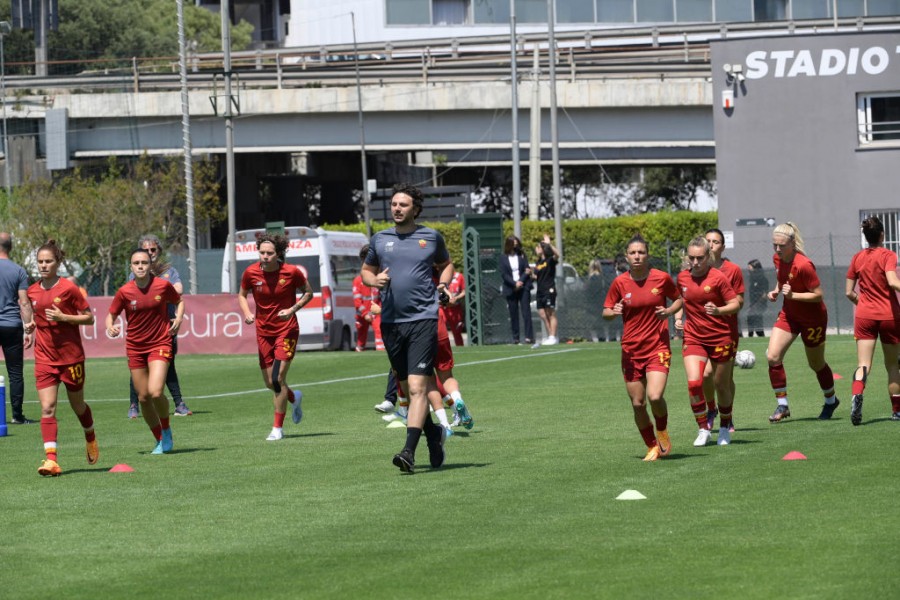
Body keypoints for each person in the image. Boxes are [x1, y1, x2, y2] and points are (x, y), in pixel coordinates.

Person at [362, 182, 454, 474]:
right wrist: (373, 281)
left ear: (415, 208)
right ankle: (435, 435)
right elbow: (366, 271)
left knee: (417, 387)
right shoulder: (379, 239)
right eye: (394, 204)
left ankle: (408, 452)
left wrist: (442, 284)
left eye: (403, 205)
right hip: (390, 322)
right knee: (405, 388)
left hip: (423, 320)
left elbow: (446, 264)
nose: (397, 209)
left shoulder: (431, 236)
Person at [602, 235, 682, 461]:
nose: (637, 256)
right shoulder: (619, 283)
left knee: (655, 396)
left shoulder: (661, 278)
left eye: (641, 252)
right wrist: (613, 311)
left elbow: (678, 299)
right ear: (627, 256)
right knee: (638, 403)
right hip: (630, 350)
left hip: (657, 346)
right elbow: (606, 311)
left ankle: (662, 432)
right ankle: (651, 446)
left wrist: (668, 312)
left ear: (647, 255)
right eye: (633, 253)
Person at [27, 240, 98, 477]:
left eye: (48, 261)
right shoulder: (32, 290)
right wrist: (29, 328)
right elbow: (37, 319)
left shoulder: (68, 288)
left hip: (71, 358)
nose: (43, 265)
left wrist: (64, 317)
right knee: (47, 408)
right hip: (44, 358)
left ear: (57, 263)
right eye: (40, 262)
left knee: (78, 405)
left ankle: (89, 434)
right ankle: (51, 461)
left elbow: (89, 318)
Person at [106, 248, 185, 454]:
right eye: (136, 263)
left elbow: (179, 300)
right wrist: (110, 326)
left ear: (150, 266)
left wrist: (178, 318)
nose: (140, 266)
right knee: (143, 398)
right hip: (135, 347)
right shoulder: (124, 291)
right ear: (131, 267)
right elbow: (111, 314)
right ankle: (159, 438)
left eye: (144, 263)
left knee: (156, 391)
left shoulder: (162, 286)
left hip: (160, 343)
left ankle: (166, 430)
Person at [238, 233, 313, 441]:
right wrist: (247, 313)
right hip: (263, 332)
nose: (265, 256)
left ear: (278, 253)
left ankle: (277, 428)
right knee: (270, 383)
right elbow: (242, 295)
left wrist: (292, 309)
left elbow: (308, 292)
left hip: (286, 329)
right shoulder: (251, 272)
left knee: (277, 379)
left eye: (269, 253)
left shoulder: (291, 272)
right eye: (262, 252)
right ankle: (293, 397)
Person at [765, 222, 840, 423]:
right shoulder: (777, 259)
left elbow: (818, 295)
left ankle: (831, 400)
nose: (777, 250)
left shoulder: (804, 265)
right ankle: (783, 405)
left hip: (813, 318)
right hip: (789, 315)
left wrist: (794, 294)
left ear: (792, 243)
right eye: (774, 245)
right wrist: (776, 290)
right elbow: (782, 280)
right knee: (773, 356)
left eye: (781, 245)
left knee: (815, 363)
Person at [677, 236, 741, 447]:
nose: (695, 263)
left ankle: (724, 426)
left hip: (721, 336)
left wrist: (719, 310)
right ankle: (703, 428)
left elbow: (735, 304)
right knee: (695, 382)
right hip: (694, 337)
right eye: (692, 258)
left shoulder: (718, 278)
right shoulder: (682, 278)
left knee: (720, 385)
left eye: (700, 258)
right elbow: (680, 300)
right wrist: (677, 318)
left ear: (708, 256)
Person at [127, 234, 192, 419]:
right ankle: (134, 405)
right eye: (146, 250)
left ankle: (179, 404)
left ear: (159, 251)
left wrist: (157, 285)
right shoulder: (136, 271)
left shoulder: (168, 271)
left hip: (165, 327)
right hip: (142, 329)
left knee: (169, 364)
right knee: (138, 368)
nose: (149, 253)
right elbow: (131, 292)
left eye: (153, 249)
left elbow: (179, 289)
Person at [845, 216, 900, 425]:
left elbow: (849, 292)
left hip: (864, 316)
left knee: (863, 364)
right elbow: (893, 281)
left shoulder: (857, 258)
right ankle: (897, 411)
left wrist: (864, 303)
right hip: (889, 316)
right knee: (892, 365)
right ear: (883, 235)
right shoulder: (888, 255)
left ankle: (857, 395)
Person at [702, 228, 745, 433]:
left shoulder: (732, 270)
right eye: (708, 241)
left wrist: (719, 309)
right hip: (701, 332)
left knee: (725, 379)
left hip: (726, 331)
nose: (711, 245)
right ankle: (712, 409)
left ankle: (728, 416)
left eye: (716, 241)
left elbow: (740, 301)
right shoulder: (696, 268)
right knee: (705, 374)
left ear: (722, 246)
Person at [0, 232, 35, 425]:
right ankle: (17, 415)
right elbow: (24, 302)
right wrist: (28, 328)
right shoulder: (19, 270)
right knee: (15, 373)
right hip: (12, 325)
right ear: (11, 247)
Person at [499, 235, 535, 345]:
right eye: (513, 245)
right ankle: (516, 338)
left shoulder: (522, 256)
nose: (515, 247)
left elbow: (527, 270)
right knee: (513, 313)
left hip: (523, 286)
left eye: (517, 245)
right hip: (511, 288)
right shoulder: (503, 258)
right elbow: (504, 274)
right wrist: (514, 283)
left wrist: (520, 281)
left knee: (526, 312)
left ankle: (529, 337)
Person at [352, 244, 383, 352]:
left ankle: (380, 350)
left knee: (379, 329)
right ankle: (359, 351)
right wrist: (365, 314)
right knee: (361, 334)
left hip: (376, 312)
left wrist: (378, 310)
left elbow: (380, 298)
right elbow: (357, 301)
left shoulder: (379, 278)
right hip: (362, 314)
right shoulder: (357, 280)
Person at [534, 235, 560, 346]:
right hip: (540, 291)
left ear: (543, 249)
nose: (536, 249)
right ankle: (550, 336)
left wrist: (549, 244)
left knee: (550, 313)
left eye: (538, 247)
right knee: (542, 314)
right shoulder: (538, 262)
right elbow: (537, 276)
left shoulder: (550, 260)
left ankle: (553, 336)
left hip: (548, 289)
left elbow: (557, 255)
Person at [440, 268, 465, 346]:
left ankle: (461, 349)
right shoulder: (439, 276)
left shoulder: (459, 276)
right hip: (442, 308)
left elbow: (464, 291)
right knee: (439, 331)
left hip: (455, 309)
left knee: (457, 332)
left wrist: (456, 298)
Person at [746, 259, 769, 337]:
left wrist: (756, 305)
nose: (748, 269)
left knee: (757, 321)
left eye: (750, 267)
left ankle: (760, 334)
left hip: (760, 305)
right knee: (750, 319)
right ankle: (751, 335)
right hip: (753, 305)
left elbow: (765, 295)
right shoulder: (752, 279)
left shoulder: (763, 279)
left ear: (755, 267)